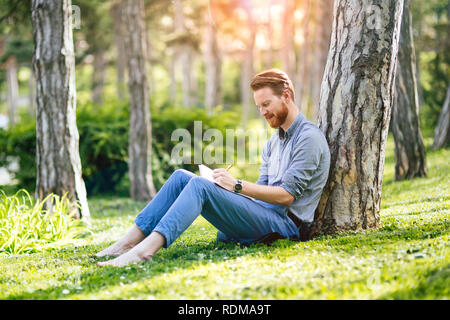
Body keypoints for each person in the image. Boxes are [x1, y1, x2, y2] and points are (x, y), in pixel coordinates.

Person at [96, 69, 331, 267]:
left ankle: (144, 251)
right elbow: (262, 190)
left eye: (266, 104)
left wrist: (237, 185)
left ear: (286, 96)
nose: (262, 112)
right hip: (265, 215)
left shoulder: (308, 138)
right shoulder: (273, 143)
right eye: (259, 106)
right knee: (181, 177)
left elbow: (287, 196)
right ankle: (127, 242)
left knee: (199, 186)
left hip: (285, 227)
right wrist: (226, 188)